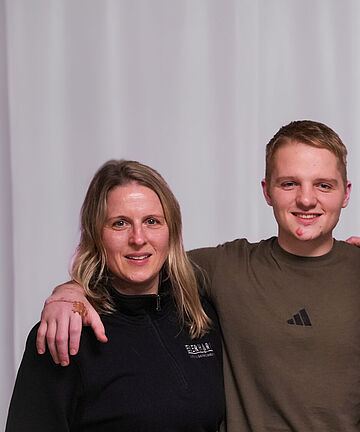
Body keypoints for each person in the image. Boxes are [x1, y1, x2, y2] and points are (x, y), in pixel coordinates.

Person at [35, 120, 360, 432]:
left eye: (324, 185)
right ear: (267, 190)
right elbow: (137, 258)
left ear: (346, 193)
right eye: (289, 184)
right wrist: (70, 291)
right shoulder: (227, 267)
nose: (306, 199)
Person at [6, 160, 224, 431]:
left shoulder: (200, 318)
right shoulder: (66, 333)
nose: (138, 238)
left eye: (152, 221)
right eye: (120, 223)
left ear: (172, 231)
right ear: (96, 235)